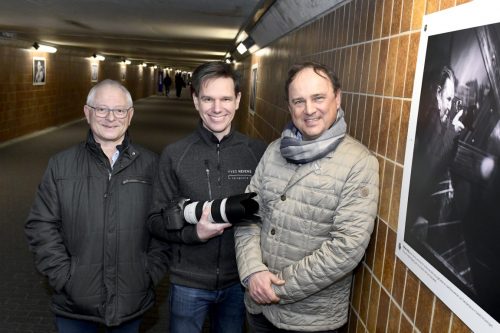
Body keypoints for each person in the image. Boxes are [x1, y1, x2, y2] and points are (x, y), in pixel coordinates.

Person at [234, 62, 379, 332]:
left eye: (318, 98)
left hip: (311, 320)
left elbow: (347, 247)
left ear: (338, 98)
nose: (309, 110)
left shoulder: (359, 163)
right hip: (259, 310)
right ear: (289, 107)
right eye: (298, 101)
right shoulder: (274, 150)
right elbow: (247, 213)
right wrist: (253, 271)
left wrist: (278, 287)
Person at [25, 79, 168, 332]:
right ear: (87, 112)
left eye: (119, 110)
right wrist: (65, 277)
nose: (110, 117)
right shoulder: (61, 165)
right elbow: (41, 225)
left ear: (130, 115)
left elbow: (163, 226)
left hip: (131, 301)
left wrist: (147, 273)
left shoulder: (152, 165)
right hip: (74, 305)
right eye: (101, 109)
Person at [147, 61, 266, 333]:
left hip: (239, 281)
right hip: (188, 282)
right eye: (208, 99)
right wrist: (194, 234)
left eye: (225, 98)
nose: (217, 108)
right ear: (195, 101)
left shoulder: (257, 153)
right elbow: (154, 220)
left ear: (237, 100)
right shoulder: (175, 155)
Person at [406, 66, 464, 244]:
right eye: (448, 99)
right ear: (437, 92)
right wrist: (452, 130)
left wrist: (450, 128)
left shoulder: (434, 116)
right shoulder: (430, 114)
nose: (449, 106)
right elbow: (431, 163)